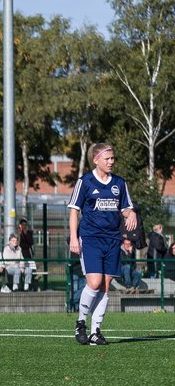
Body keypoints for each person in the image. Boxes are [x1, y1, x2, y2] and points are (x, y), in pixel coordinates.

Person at [68, 142, 138, 345]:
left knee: (105, 287)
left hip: (112, 239)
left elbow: (125, 209)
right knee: (94, 282)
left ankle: (96, 331)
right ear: (96, 159)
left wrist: (130, 213)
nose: (111, 162)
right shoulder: (85, 182)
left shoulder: (119, 183)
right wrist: (74, 237)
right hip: (90, 238)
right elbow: (74, 210)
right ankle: (80, 323)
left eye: (113, 158)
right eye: (107, 158)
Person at [16, 218, 36, 290]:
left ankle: (29, 285)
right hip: (20, 253)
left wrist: (24, 233)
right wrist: (20, 233)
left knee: (29, 269)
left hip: (27, 253)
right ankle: (19, 285)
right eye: (22, 225)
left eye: (25, 225)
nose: (24, 226)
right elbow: (17, 243)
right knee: (19, 269)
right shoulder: (18, 233)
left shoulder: (29, 233)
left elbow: (30, 242)